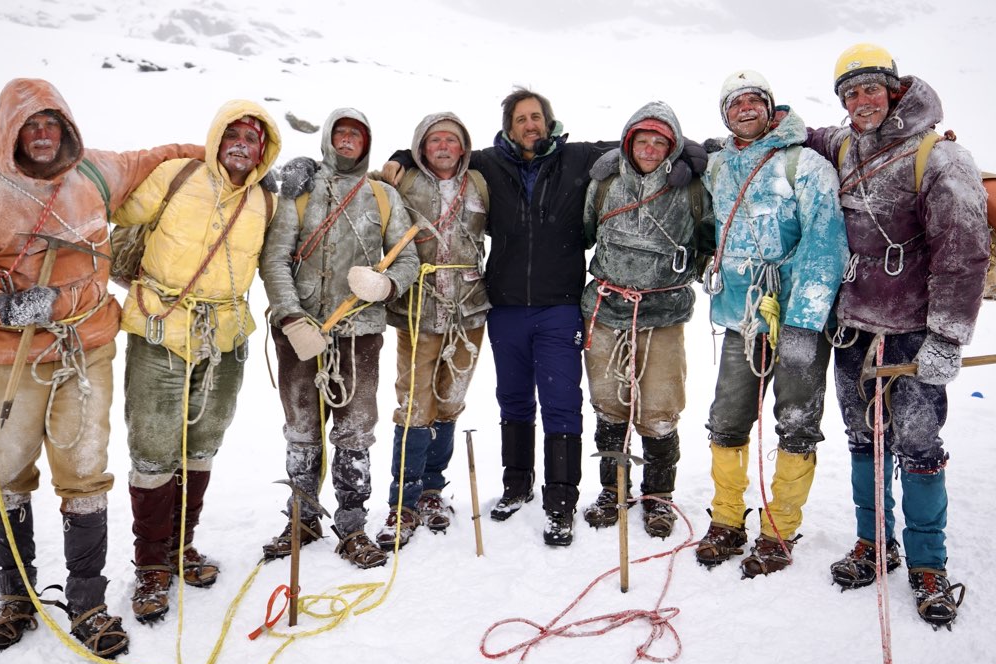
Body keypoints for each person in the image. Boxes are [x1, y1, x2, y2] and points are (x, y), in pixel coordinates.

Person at [0, 77, 203, 657]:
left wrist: (230, 159)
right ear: (9, 131)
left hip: (88, 349)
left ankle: (88, 602)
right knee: (7, 474)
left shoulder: (96, 173)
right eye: (30, 124)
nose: (42, 134)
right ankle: (16, 596)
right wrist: (2, 307)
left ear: (67, 127)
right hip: (8, 358)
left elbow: (159, 158)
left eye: (51, 123)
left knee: (85, 471)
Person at [384, 88, 706, 547]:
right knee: (513, 401)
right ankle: (517, 485)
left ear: (549, 122)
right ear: (508, 127)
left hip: (561, 306)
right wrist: (400, 154)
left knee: (561, 403)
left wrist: (690, 159)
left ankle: (561, 499)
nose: (529, 125)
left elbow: (643, 143)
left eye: (536, 117)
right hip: (506, 305)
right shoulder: (488, 164)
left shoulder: (578, 158)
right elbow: (439, 153)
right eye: (520, 119)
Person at [810, 44, 987, 627]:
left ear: (893, 89)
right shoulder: (842, 145)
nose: (861, 101)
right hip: (853, 329)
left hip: (913, 335)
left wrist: (948, 338)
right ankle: (876, 543)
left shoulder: (939, 157)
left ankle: (929, 564)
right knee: (865, 443)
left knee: (918, 447)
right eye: (849, 92)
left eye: (870, 88)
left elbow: (963, 253)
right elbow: (802, 136)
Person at [112, 101, 280, 623]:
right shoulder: (176, 176)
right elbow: (112, 206)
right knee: (154, 451)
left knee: (202, 446)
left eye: (253, 138)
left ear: (263, 150)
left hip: (226, 338)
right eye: (234, 133)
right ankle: (150, 566)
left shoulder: (266, 202)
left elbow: (282, 258)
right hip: (160, 329)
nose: (242, 143)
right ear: (216, 137)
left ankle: (180, 548)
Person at [695, 70, 848, 577]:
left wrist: (802, 319)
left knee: (797, 423)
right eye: (733, 102)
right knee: (727, 418)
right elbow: (710, 230)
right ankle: (726, 520)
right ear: (725, 115)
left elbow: (825, 243)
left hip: (798, 317)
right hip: (742, 318)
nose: (744, 108)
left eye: (752, 100)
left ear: (769, 106)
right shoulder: (717, 167)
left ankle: (779, 527)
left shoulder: (804, 163)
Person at [259, 108, 418, 569]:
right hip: (298, 334)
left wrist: (387, 286)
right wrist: (290, 317)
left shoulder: (383, 196)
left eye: (357, 135)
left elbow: (406, 258)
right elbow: (275, 259)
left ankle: (352, 527)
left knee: (354, 431)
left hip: (359, 334)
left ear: (367, 143)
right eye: (341, 133)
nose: (348, 140)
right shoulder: (300, 192)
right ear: (329, 138)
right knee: (301, 430)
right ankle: (302, 519)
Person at [579, 101, 712, 540]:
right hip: (604, 312)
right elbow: (584, 231)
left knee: (659, 409)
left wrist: (695, 271)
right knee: (609, 408)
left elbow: (709, 239)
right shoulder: (604, 184)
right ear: (628, 142)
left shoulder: (691, 187)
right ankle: (612, 491)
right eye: (643, 140)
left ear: (672, 146)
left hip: (664, 316)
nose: (651, 149)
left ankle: (658, 497)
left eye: (660, 142)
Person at [375, 113, 490, 549]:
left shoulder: (481, 182)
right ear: (421, 147)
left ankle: (432, 491)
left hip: (470, 309)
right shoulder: (398, 181)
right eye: (434, 140)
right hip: (419, 308)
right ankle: (401, 501)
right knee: (414, 401)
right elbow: (359, 188)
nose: (443, 146)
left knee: (450, 399)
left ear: (464, 147)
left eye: (452, 140)